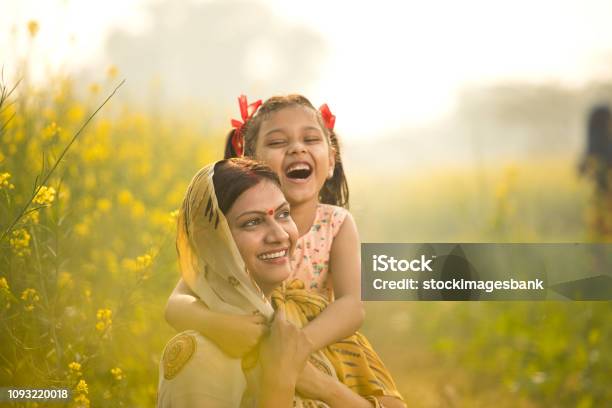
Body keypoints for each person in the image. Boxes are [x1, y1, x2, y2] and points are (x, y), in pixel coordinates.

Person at [165, 95, 405, 407]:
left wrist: (298, 348)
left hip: (319, 342)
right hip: (252, 340)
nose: (297, 148)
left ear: (331, 161)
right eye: (278, 142)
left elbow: (351, 305)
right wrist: (223, 326)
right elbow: (176, 304)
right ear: (250, 163)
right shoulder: (229, 231)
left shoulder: (336, 223)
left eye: (310, 138)